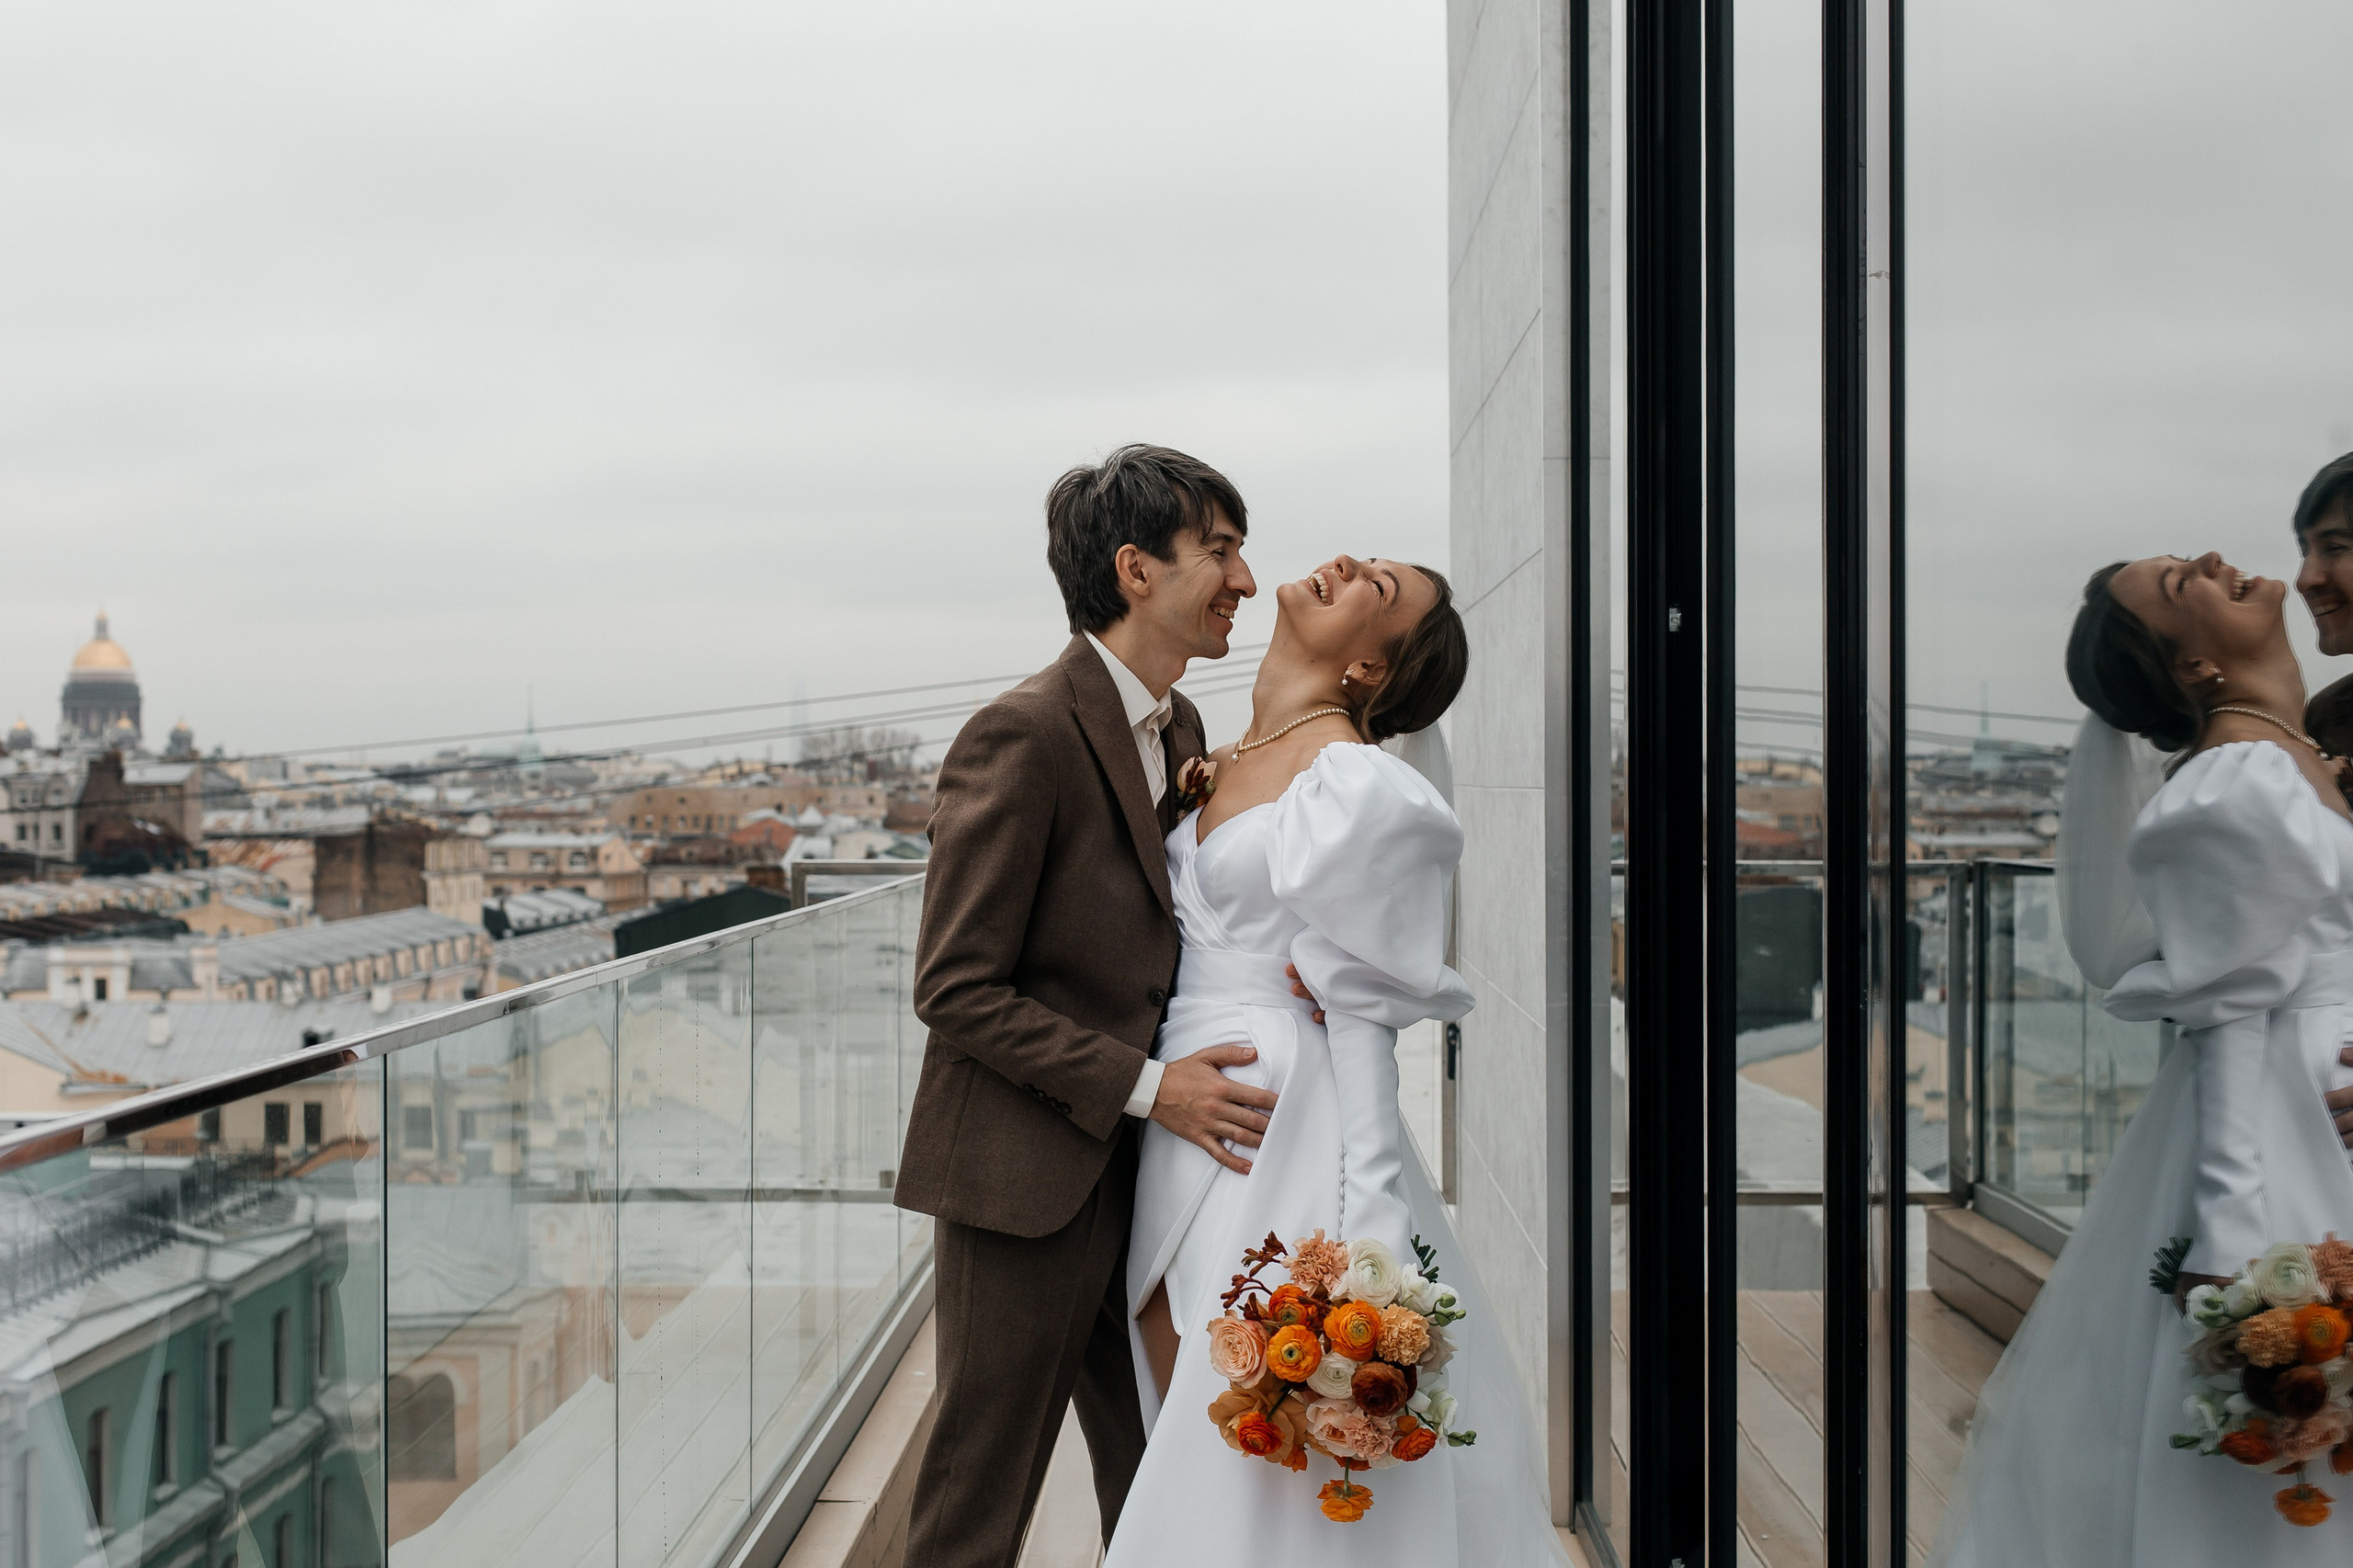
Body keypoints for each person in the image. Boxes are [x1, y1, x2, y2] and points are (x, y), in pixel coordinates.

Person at [1101, 553, 1572, 1564]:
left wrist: (1377, 1247)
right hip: (1181, 1112)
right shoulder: (1213, 751)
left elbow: (1362, 1023)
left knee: (1254, 1430)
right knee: (1188, 1403)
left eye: (1384, 590)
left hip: (1276, 1127)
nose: (1355, 563)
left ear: (1370, 666)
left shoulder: (1356, 784)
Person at [898, 445, 1279, 1568]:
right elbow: (954, 985)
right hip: (1024, 1183)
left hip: (1142, 1181)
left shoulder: (1184, 730)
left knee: (1158, 1470)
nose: (1245, 581)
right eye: (1219, 550)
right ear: (1134, 569)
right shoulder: (1019, 733)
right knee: (981, 1497)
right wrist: (1156, 1088)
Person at [1934, 551, 2353, 1565]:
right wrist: (2234, 1261)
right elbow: (2228, 1031)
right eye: (2182, 586)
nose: (2215, 559)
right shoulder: (2229, 791)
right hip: (2293, 1127)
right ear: (2194, 668)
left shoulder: (2287, 757)